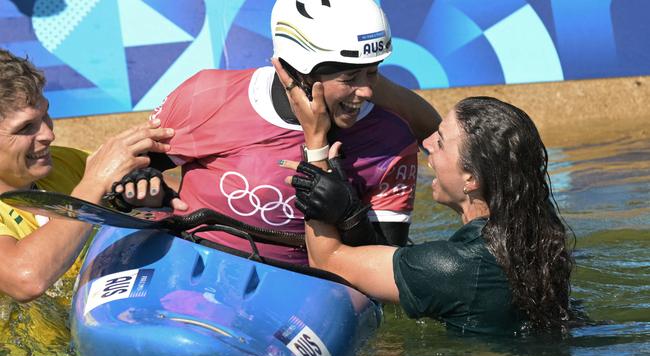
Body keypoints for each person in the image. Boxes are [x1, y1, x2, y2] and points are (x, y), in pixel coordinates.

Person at [117, 0, 441, 264]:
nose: (368, 91)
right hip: (191, 261)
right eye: (349, 78)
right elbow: (131, 173)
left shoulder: (390, 140)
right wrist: (139, 184)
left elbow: (389, 270)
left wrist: (349, 215)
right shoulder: (207, 96)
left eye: (373, 73)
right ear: (298, 69)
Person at [281, 96, 574, 335]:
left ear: (471, 178)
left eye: (441, 142)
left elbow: (326, 261)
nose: (427, 142)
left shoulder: (454, 267)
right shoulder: (537, 225)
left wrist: (316, 144)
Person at [0, 49, 176, 302]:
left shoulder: (64, 162)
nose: (48, 134)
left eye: (45, 115)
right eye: (26, 127)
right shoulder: (83, 176)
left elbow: (170, 192)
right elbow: (27, 279)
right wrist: (92, 184)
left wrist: (149, 197)